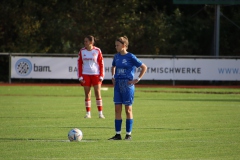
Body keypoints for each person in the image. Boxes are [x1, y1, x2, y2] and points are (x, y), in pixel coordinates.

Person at [108, 36, 147, 140]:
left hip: (127, 85)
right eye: (115, 45)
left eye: (118, 45)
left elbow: (144, 67)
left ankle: (128, 134)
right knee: (117, 109)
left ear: (124, 45)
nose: (116, 47)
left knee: (128, 110)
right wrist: (113, 76)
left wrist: (137, 79)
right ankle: (117, 134)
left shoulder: (131, 56)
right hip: (118, 84)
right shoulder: (116, 57)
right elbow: (113, 66)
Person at [77, 35, 105, 119]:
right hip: (85, 74)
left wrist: (101, 75)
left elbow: (101, 63)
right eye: (84, 41)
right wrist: (80, 76)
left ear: (91, 42)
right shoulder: (82, 51)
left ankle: (100, 113)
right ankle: (88, 113)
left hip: (96, 74)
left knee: (97, 93)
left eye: (86, 41)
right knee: (87, 94)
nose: (84, 43)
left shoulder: (97, 50)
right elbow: (79, 64)